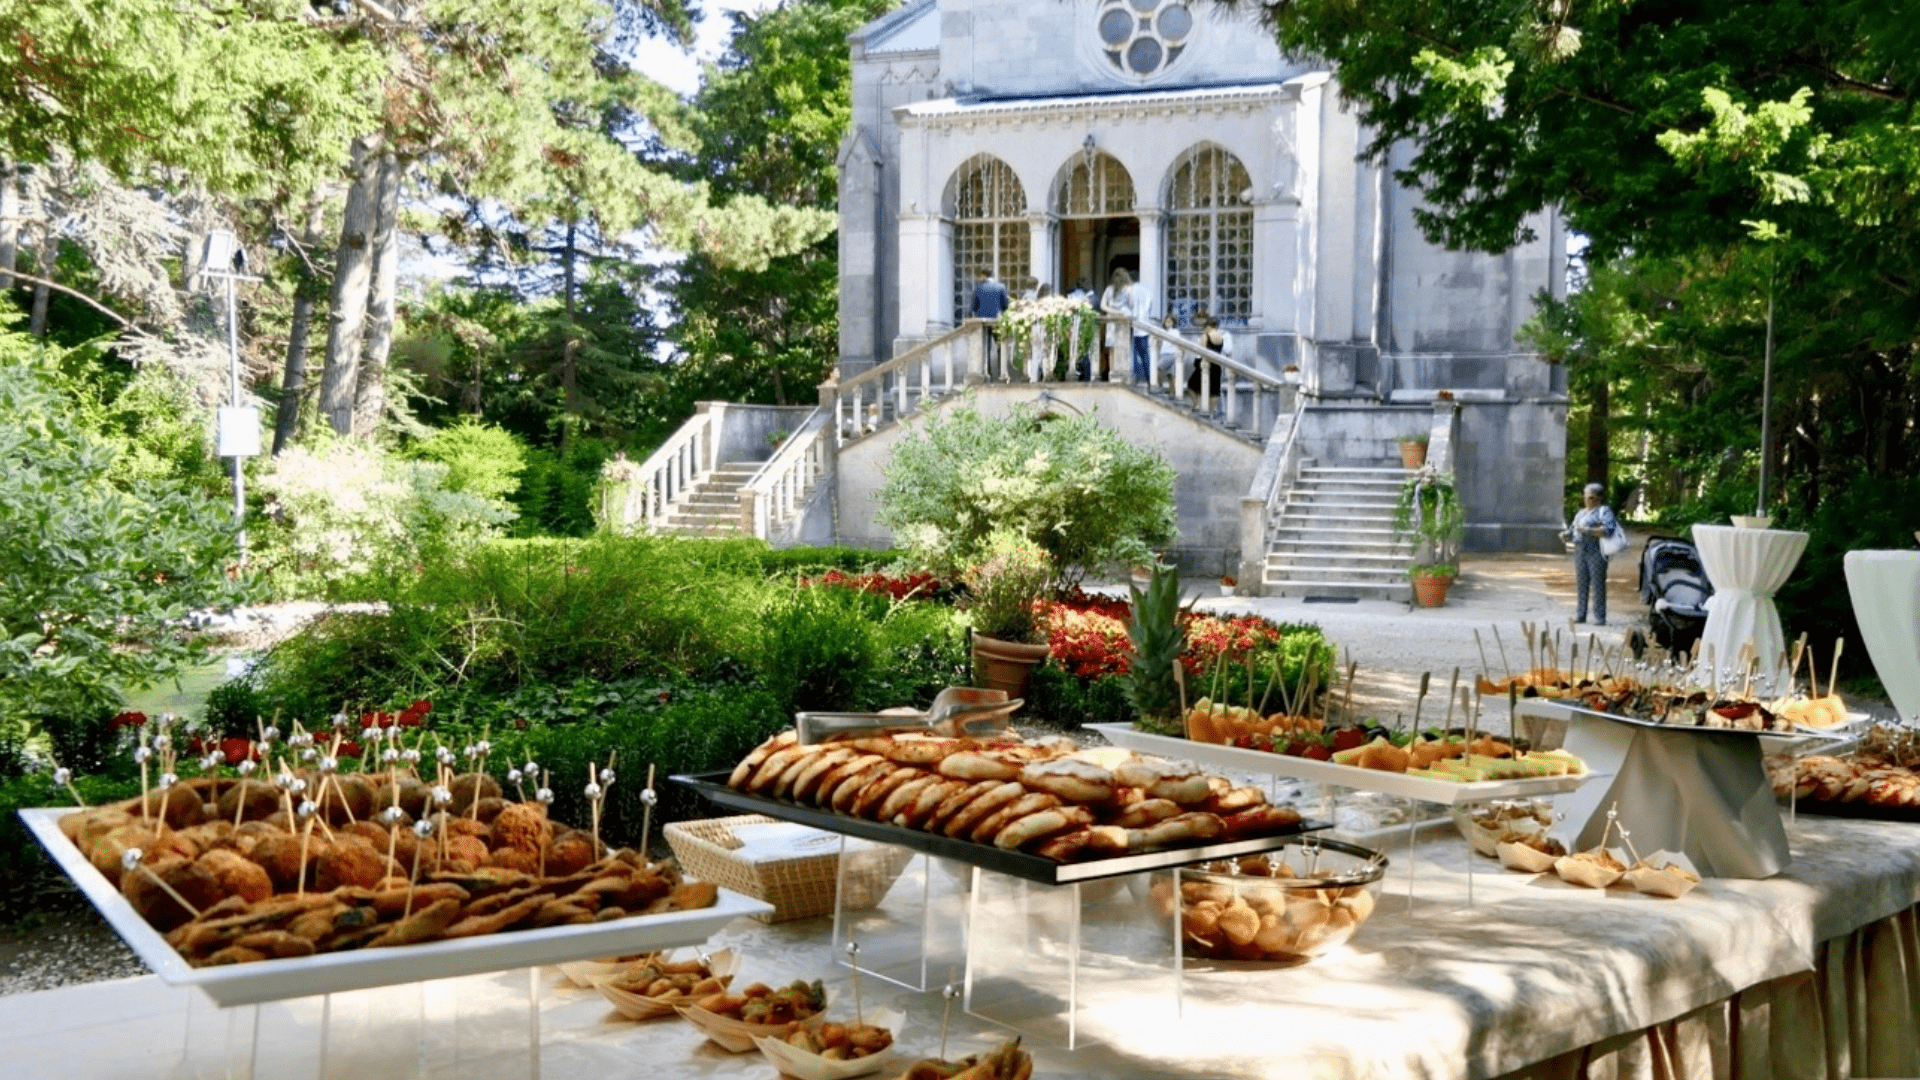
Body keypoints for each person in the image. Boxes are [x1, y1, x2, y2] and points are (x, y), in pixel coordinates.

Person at [1564, 482, 1623, 625]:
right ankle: (1580, 614)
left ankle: (1599, 616)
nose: (1588, 500)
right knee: (1582, 583)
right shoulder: (1580, 513)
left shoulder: (1604, 511)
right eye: (1586, 497)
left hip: (1596, 551)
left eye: (1591, 497)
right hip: (1580, 550)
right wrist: (1567, 534)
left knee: (1597, 584)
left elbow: (1608, 529)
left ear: (1598, 498)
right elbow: (1573, 530)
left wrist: (1590, 531)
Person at [970, 268, 1011, 376]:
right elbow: (1005, 306)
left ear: (983, 275)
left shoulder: (978, 289)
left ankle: (987, 372)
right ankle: (1002, 372)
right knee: (1000, 347)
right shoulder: (1000, 287)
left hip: (982, 323)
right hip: (997, 321)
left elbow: (974, 307)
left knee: (985, 348)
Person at [1186, 311, 1229, 407]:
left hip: (1206, 364)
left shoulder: (1206, 336)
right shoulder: (1220, 337)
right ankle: (1212, 413)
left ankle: (1196, 405)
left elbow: (1202, 351)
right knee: (1213, 392)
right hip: (1217, 365)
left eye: (1205, 327)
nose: (1204, 329)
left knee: (1190, 385)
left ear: (1208, 326)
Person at [1098, 268, 1134, 381]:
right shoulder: (1127, 289)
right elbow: (1131, 305)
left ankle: (1115, 373)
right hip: (1118, 320)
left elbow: (1103, 306)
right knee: (1118, 347)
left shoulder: (1112, 289)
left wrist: (1112, 311)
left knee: (1116, 347)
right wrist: (1120, 312)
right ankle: (1116, 373)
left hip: (1114, 320)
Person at [1067, 277, 1095, 380]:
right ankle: (1085, 375)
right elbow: (1094, 306)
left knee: (1076, 351)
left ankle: (1077, 374)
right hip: (1083, 325)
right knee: (1085, 352)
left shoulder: (1072, 294)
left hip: (1075, 326)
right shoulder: (1087, 294)